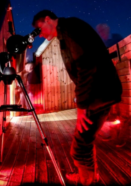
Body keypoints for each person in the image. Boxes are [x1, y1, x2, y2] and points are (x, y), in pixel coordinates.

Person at [32, 10, 122, 185]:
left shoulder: (70, 29)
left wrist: (81, 106)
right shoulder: (66, 33)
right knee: (85, 139)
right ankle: (89, 175)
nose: (40, 34)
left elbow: (86, 67)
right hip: (100, 91)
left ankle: (86, 180)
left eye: (40, 29)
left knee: (79, 147)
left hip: (100, 91)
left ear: (48, 20)